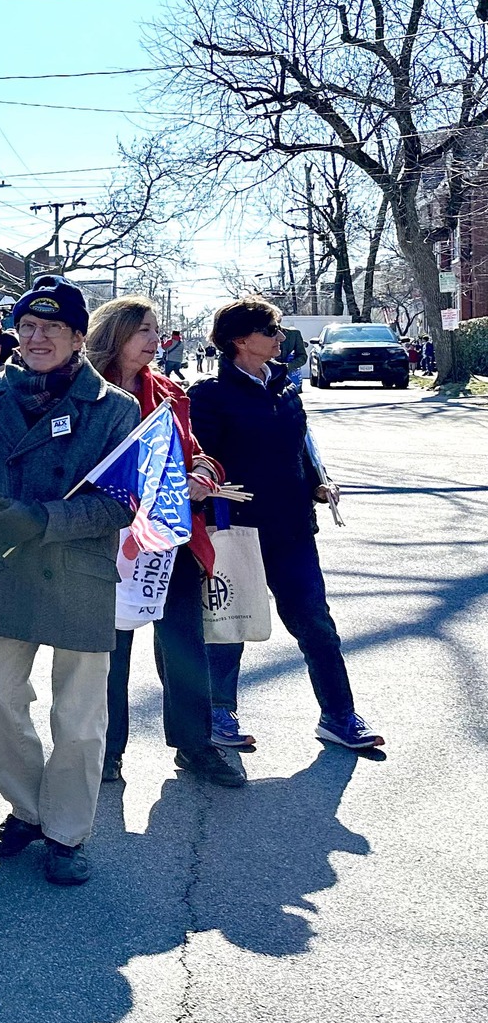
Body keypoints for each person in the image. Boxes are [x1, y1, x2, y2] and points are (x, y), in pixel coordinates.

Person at [0, 277, 138, 887]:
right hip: (1, 565)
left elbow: (120, 503)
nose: (36, 339)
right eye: (27, 328)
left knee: (80, 716)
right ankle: (28, 810)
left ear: (78, 337)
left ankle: (67, 831)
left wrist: (42, 519)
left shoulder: (116, 408)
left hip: (77, 572)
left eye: (52, 329)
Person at [188, 296, 383, 753]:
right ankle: (218, 714)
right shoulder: (210, 395)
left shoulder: (286, 386)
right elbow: (202, 457)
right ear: (240, 340)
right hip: (233, 530)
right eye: (271, 329)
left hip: (294, 528)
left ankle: (338, 715)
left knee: (316, 621)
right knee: (228, 626)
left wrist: (318, 482)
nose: (280, 337)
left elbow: (300, 446)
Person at [85, 299, 248, 790]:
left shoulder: (170, 390)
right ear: (116, 333)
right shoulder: (84, 389)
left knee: (184, 645)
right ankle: (107, 753)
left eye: (156, 330)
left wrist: (203, 472)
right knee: (110, 651)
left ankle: (195, 746)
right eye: (143, 330)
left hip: (170, 537)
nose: (154, 339)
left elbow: (195, 452)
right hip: (107, 537)